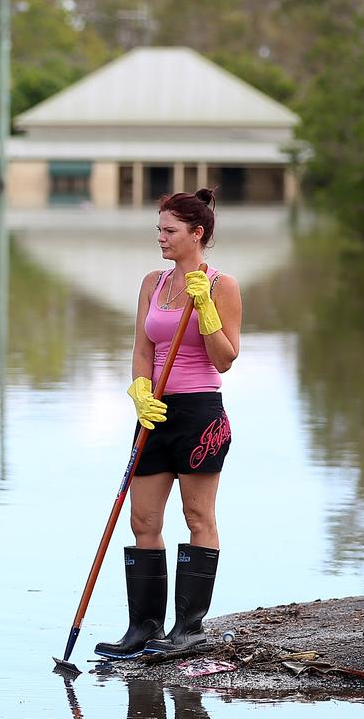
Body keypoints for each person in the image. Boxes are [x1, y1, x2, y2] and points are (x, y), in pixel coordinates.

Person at [95, 188, 242, 659]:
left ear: (197, 234)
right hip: (153, 412)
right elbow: (143, 350)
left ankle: (189, 629)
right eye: (159, 229)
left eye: (170, 231)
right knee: (143, 521)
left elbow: (225, 360)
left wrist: (206, 311)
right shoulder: (152, 283)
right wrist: (139, 391)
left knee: (197, 517)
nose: (161, 238)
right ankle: (143, 628)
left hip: (199, 413)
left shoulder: (221, 285)